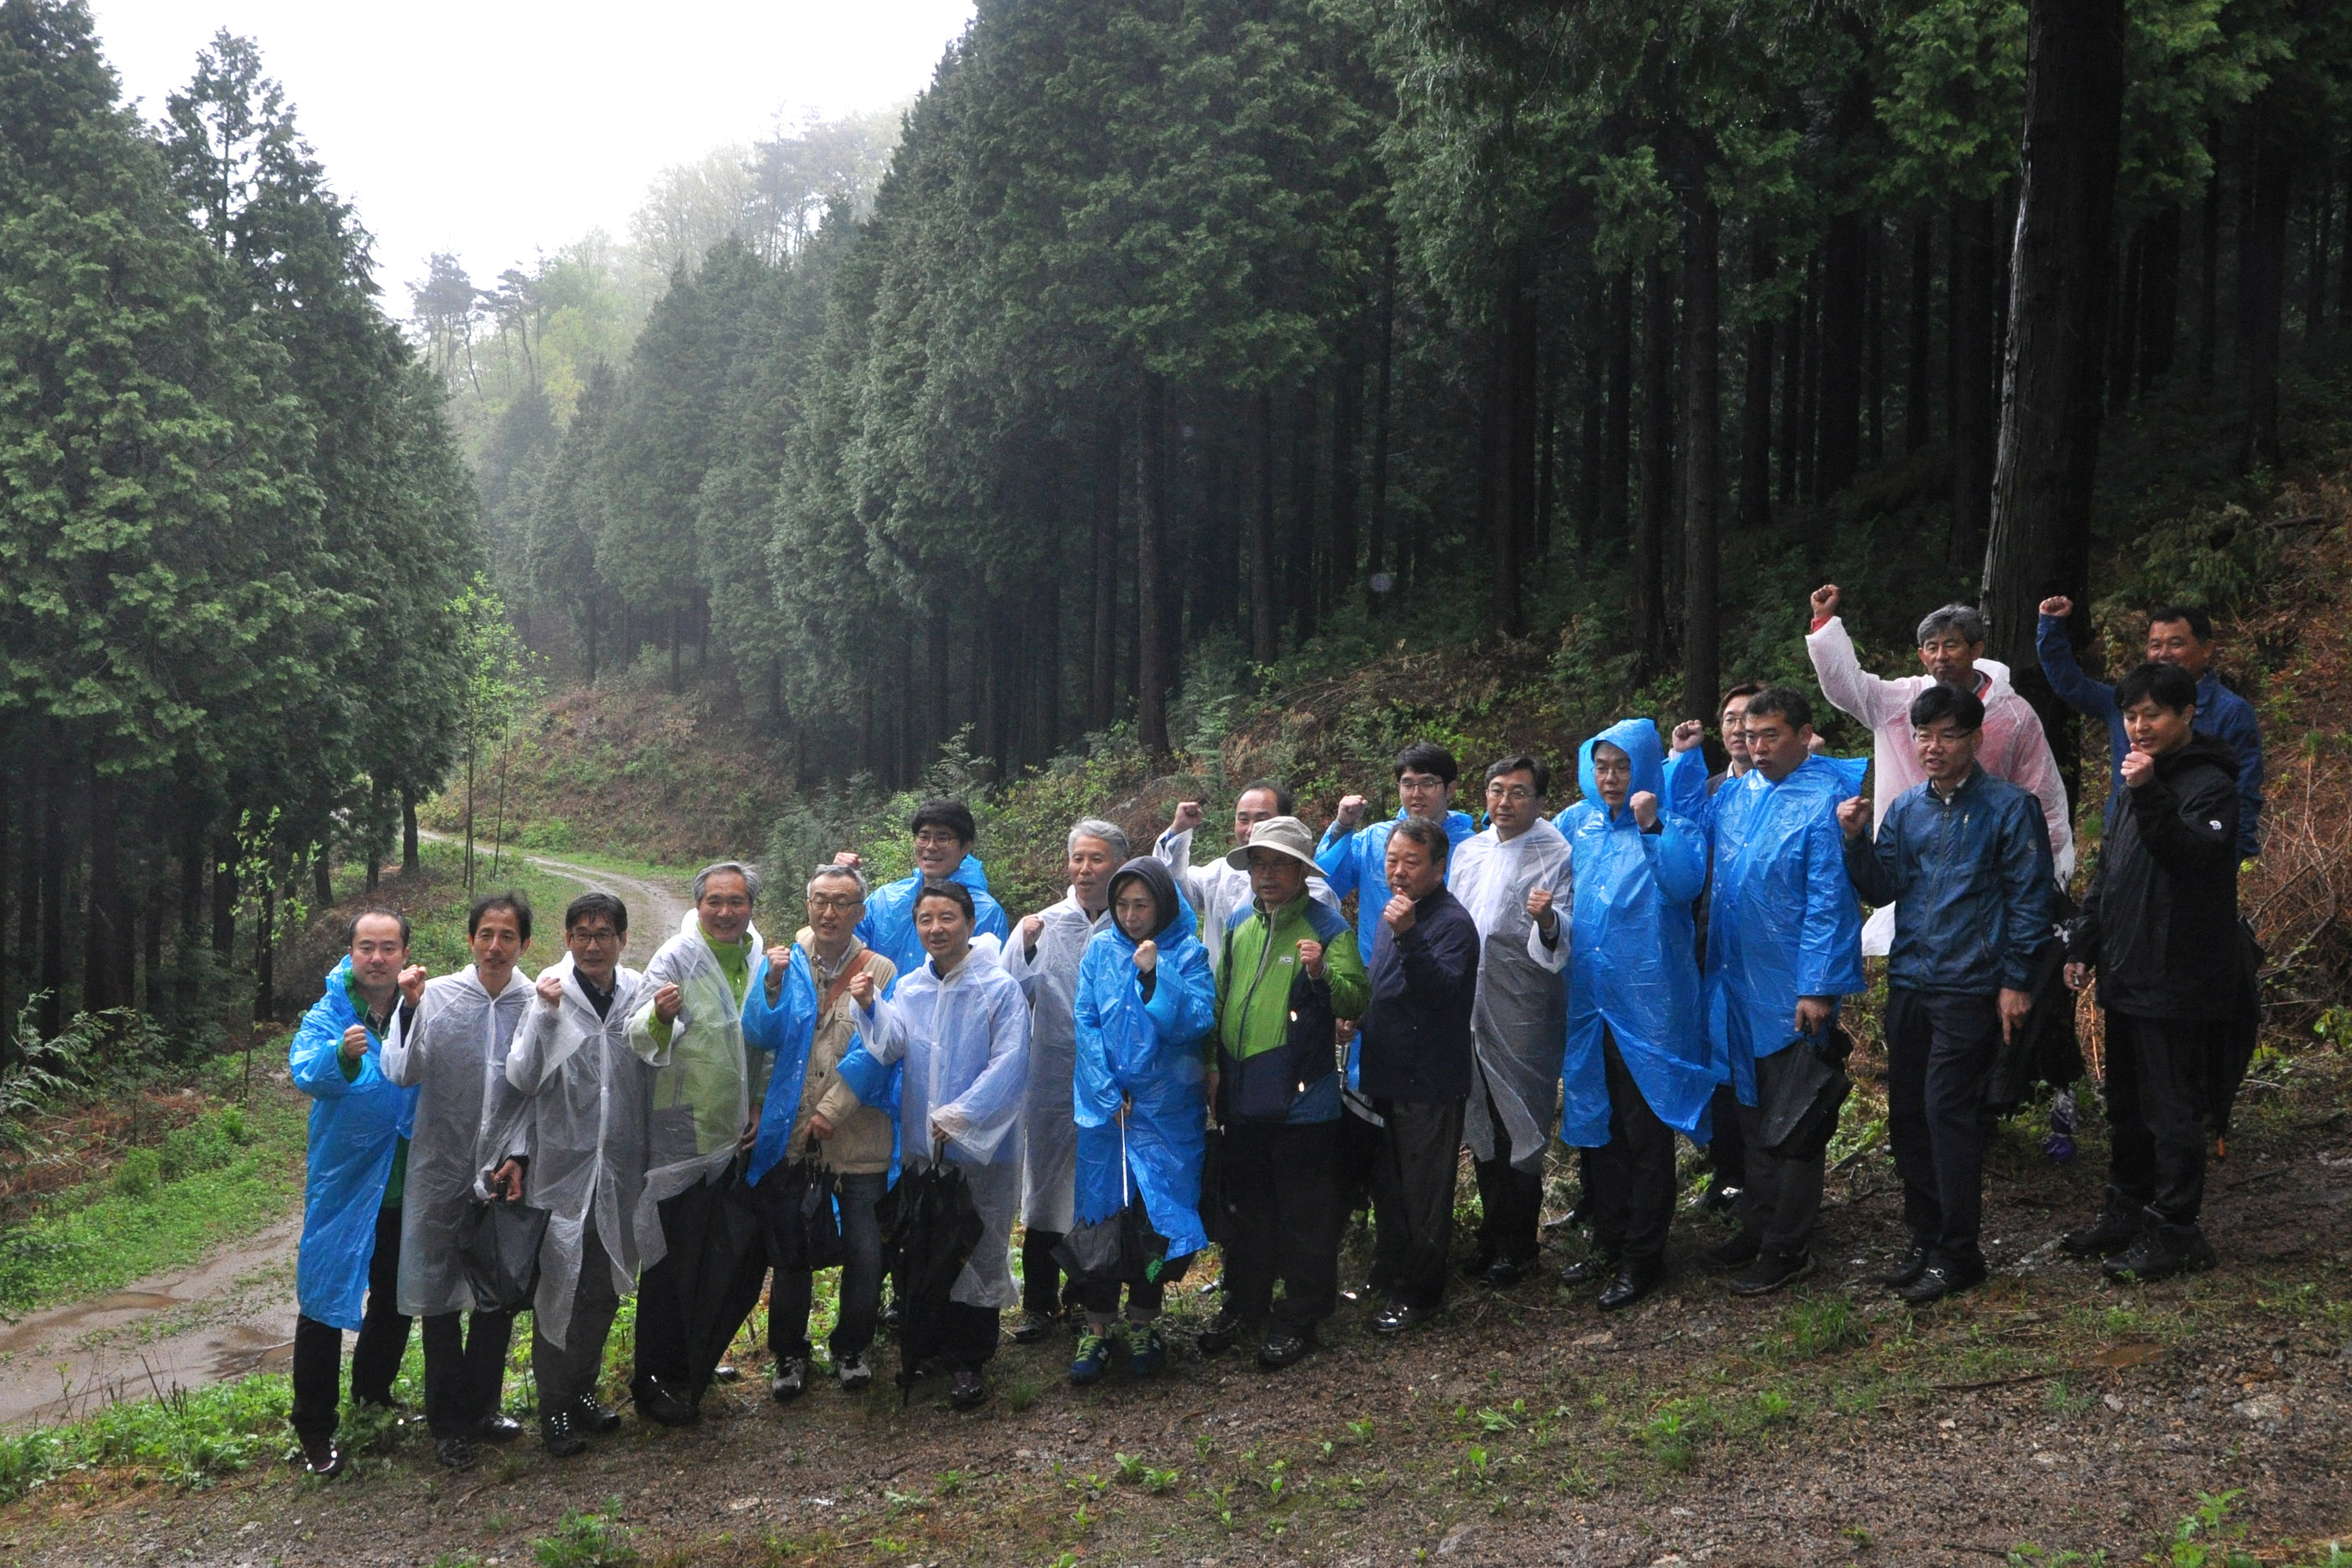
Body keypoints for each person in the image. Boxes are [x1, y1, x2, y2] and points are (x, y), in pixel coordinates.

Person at [1840, 686, 2052, 1304]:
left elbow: (2031, 902)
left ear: (1975, 739)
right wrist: (1855, 840)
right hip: (1911, 979)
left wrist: (2016, 982)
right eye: (1923, 735)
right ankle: (1924, 1237)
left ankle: (1960, 1252)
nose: (1933, 747)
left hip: (1971, 984)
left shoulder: (2011, 809)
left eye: (1948, 735)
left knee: (1946, 1114)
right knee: (1907, 1113)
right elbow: (1882, 889)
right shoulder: (1907, 810)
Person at [2060, 663, 2241, 1281]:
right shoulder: (2137, 778)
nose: (2139, 727)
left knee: (2173, 1108)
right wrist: (2084, 941)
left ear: (2187, 714)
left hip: (2180, 974)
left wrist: (2148, 793)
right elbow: (2110, 872)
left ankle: (2177, 1230)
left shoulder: (2208, 783)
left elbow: (2193, 857)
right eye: (2131, 716)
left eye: (2152, 715)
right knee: (2126, 1103)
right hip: (2127, 966)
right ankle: (2126, 1209)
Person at [1694, 688, 1867, 1297]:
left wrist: (1818, 986)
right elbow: (1694, 841)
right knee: (1750, 1110)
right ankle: (1758, 1225)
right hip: (1736, 979)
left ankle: (1789, 1244)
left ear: (1803, 734)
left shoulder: (1826, 797)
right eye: (1749, 733)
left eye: (1771, 735)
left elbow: (1829, 898)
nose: (1757, 745)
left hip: (1793, 989)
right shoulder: (1738, 795)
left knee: (1794, 1114)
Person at [841, 880, 1033, 1409]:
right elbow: (892, 1045)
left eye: (947, 918)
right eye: (926, 920)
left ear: (970, 923)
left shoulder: (998, 989)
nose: (936, 929)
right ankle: (926, 1346)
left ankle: (969, 1359)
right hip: (925, 1145)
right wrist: (870, 1006)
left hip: (982, 1148)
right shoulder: (911, 986)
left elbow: (1010, 1063)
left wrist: (963, 1114)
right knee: (927, 1240)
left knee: (977, 1242)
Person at [1805, 586, 2072, 953]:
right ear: (1920, 655)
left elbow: (2040, 789)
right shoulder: (1901, 701)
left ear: (1976, 651)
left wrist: (2053, 867)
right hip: (1914, 859)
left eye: (1951, 645)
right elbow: (1850, 688)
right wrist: (1825, 624)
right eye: (1932, 647)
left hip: (1985, 866)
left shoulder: (2012, 713)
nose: (1941, 656)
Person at [1555, 720, 1717, 1311]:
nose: (1611, 778)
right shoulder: (1577, 824)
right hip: (1589, 1004)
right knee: (1599, 1128)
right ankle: (1608, 1238)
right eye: (1601, 767)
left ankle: (1643, 1257)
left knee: (1645, 1135)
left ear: (1646, 769)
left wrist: (1652, 825)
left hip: (1649, 1009)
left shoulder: (1675, 825)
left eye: (1622, 767)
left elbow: (1684, 884)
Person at [1198, 816, 1369, 1370]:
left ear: (1302, 870)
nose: (1267, 875)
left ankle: (1301, 1315)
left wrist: (1320, 976)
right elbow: (1222, 1001)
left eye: (1279, 864)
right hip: (1244, 1095)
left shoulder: (1327, 928)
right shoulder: (1240, 926)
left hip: (1303, 1103)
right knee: (1248, 1209)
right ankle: (1244, 1305)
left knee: (1305, 1213)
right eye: (1259, 864)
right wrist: (1212, 1066)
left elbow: (1354, 1001)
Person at [381, 892, 536, 1472]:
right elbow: (401, 1071)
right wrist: (410, 1006)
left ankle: (484, 1407)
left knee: (496, 1289)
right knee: (441, 1298)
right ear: (470, 938)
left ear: (523, 944)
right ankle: (447, 1423)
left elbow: (537, 1090)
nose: (495, 946)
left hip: (505, 1168)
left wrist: (520, 1155)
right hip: (440, 1167)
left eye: (507, 936)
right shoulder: (439, 996)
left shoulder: (534, 1000)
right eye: (486, 935)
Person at [740, 864, 899, 1400]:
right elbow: (760, 1037)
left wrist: (832, 1110)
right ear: (808, 904)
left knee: (864, 1251)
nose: (829, 912)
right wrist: (772, 984)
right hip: (793, 1138)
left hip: (857, 1138)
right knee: (791, 1253)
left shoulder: (880, 970)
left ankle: (852, 1345)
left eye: (843, 903)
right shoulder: (784, 961)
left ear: (859, 912)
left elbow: (878, 1052)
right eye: (820, 901)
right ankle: (788, 1354)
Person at [625, 862, 769, 1426]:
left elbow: (763, 1042)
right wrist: (660, 1017)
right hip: (682, 1125)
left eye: (737, 901)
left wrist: (757, 1104)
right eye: (715, 901)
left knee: (720, 1254)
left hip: (736, 1134)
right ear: (698, 905)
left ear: (751, 907)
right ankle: (653, 1378)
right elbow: (635, 1035)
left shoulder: (759, 959)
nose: (726, 912)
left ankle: (695, 1360)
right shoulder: (675, 958)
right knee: (669, 1259)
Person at [506, 891, 649, 1456]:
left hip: (616, 1170)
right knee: (558, 1291)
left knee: (602, 1287)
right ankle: (554, 1408)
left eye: (604, 934)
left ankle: (583, 1391)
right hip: (560, 1171)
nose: (593, 945)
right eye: (582, 934)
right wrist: (543, 1016)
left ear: (621, 940)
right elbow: (521, 1075)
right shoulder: (551, 991)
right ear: (566, 940)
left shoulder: (635, 991)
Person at [1065, 857, 1215, 1383]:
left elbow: (1195, 1022)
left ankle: (1144, 1317)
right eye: (1122, 905)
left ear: (1162, 904)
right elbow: (1084, 1018)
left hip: (1166, 1114)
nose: (1130, 916)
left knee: (1154, 1223)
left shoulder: (1189, 954)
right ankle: (1097, 1324)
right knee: (1102, 1218)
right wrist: (1105, 1087)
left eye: (1141, 904)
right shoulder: (1100, 950)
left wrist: (1156, 975)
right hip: (1109, 1114)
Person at [1316, 744, 1477, 1225]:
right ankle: (1374, 1226)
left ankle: (1420, 1260)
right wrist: (1341, 826)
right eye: (1407, 783)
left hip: (1439, 1008)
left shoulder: (1471, 841)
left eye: (1428, 783)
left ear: (1449, 788)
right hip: (1380, 1004)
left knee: (1423, 1142)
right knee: (1375, 1125)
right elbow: (1325, 881)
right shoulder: (1375, 841)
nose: (1416, 793)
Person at [286, 909, 421, 1478]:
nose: (377, 958)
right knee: (321, 1302)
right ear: (351, 952)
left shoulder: (419, 1006)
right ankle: (315, 1428)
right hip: (344, 1184)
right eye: (367, 947)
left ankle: (373, 1397)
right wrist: (341, 1055)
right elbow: (305, 1073)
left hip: (406, 1181)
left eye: (388, 947)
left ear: (403, 954)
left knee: (395, 1297)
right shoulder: (330, 1013)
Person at [1448, 755, 1575, 1287]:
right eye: (1496, 790)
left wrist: (1547, 919)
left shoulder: (1557, 851)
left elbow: (1564, 933)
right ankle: (1491, 1233)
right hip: (1467, 1006)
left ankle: (1518, 1242)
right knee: (1481, 1123)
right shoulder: (1468, 851)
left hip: (1524, 1007)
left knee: (1519, 1119)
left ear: (1541, 800)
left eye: (1519, 792)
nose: (1505, 802)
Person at [1000, 819, 1127, 1344]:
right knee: (1047, 1187)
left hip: (1113, 1076)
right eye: (1077, 858)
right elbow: (1008, 994)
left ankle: (1089, 1295)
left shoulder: (1132, 922)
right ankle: (1039, 1302)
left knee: (1099, 1185)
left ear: (1119, 864)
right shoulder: (1044, 923)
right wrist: (1026, 947)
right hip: (1051, 1075)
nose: (1084, 869)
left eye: (1096, 859)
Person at [1354, 817, 1479, 1335]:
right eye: (1392, 861)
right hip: (1387, 1073)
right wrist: (1358, 1015)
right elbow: (1387, 986)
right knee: (1390, 1186)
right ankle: (1389, 1272)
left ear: (1439, 866)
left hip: (1429, 1080)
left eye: (1412, 862)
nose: (1399, 873)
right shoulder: (1394, 915)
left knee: (1425, 1194)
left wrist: (1409, 938)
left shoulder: (1450, 923)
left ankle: (1421, 1295)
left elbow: (1446, 998)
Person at [2036, 597, 2264, 858]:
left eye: (2176, 644)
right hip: (2126, 842)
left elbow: (2245, 790)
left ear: (2207, 649)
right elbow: (2071, 685)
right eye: (2155, 645)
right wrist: (2051, 627)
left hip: (2191, 847)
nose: (2164, 654)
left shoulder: (2230, 711)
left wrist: (2231, 857)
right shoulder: (2124, 701)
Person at [1153, 780, 1340, 983]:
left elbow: (1333, 966)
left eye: (1262, 819)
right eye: (1243, 820)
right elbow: (1170, 890)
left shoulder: (1315, 893)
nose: (1251, 829)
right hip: (1221, 999)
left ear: (1284, 821)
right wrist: (1178, 832)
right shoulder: (1218, 874)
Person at [839, 798, 1010, 977]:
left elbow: (989, 985)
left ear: (966, 846)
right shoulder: (885, 899)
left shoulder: (985, 911)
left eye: (943, 838)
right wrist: (839, 887)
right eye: (924, 837)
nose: (931, 847)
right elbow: (842, 948)